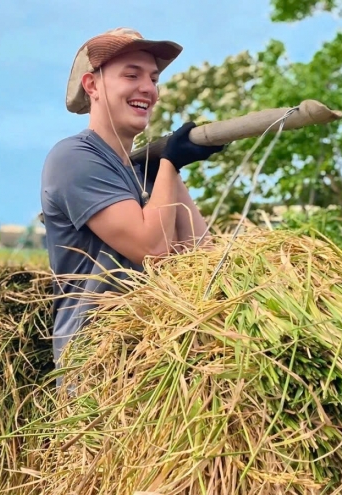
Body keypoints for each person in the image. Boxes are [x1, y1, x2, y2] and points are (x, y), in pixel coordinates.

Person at [40, 27, 224, 380]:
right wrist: (171, 162)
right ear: (92, 85)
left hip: (160, 362)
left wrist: (170, 171)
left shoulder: (146, 173)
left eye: (153, 79)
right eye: (131, 75)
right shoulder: (74, 158)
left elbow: (201, 256)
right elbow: (152, 250)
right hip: (97, 372)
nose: (148, 89)